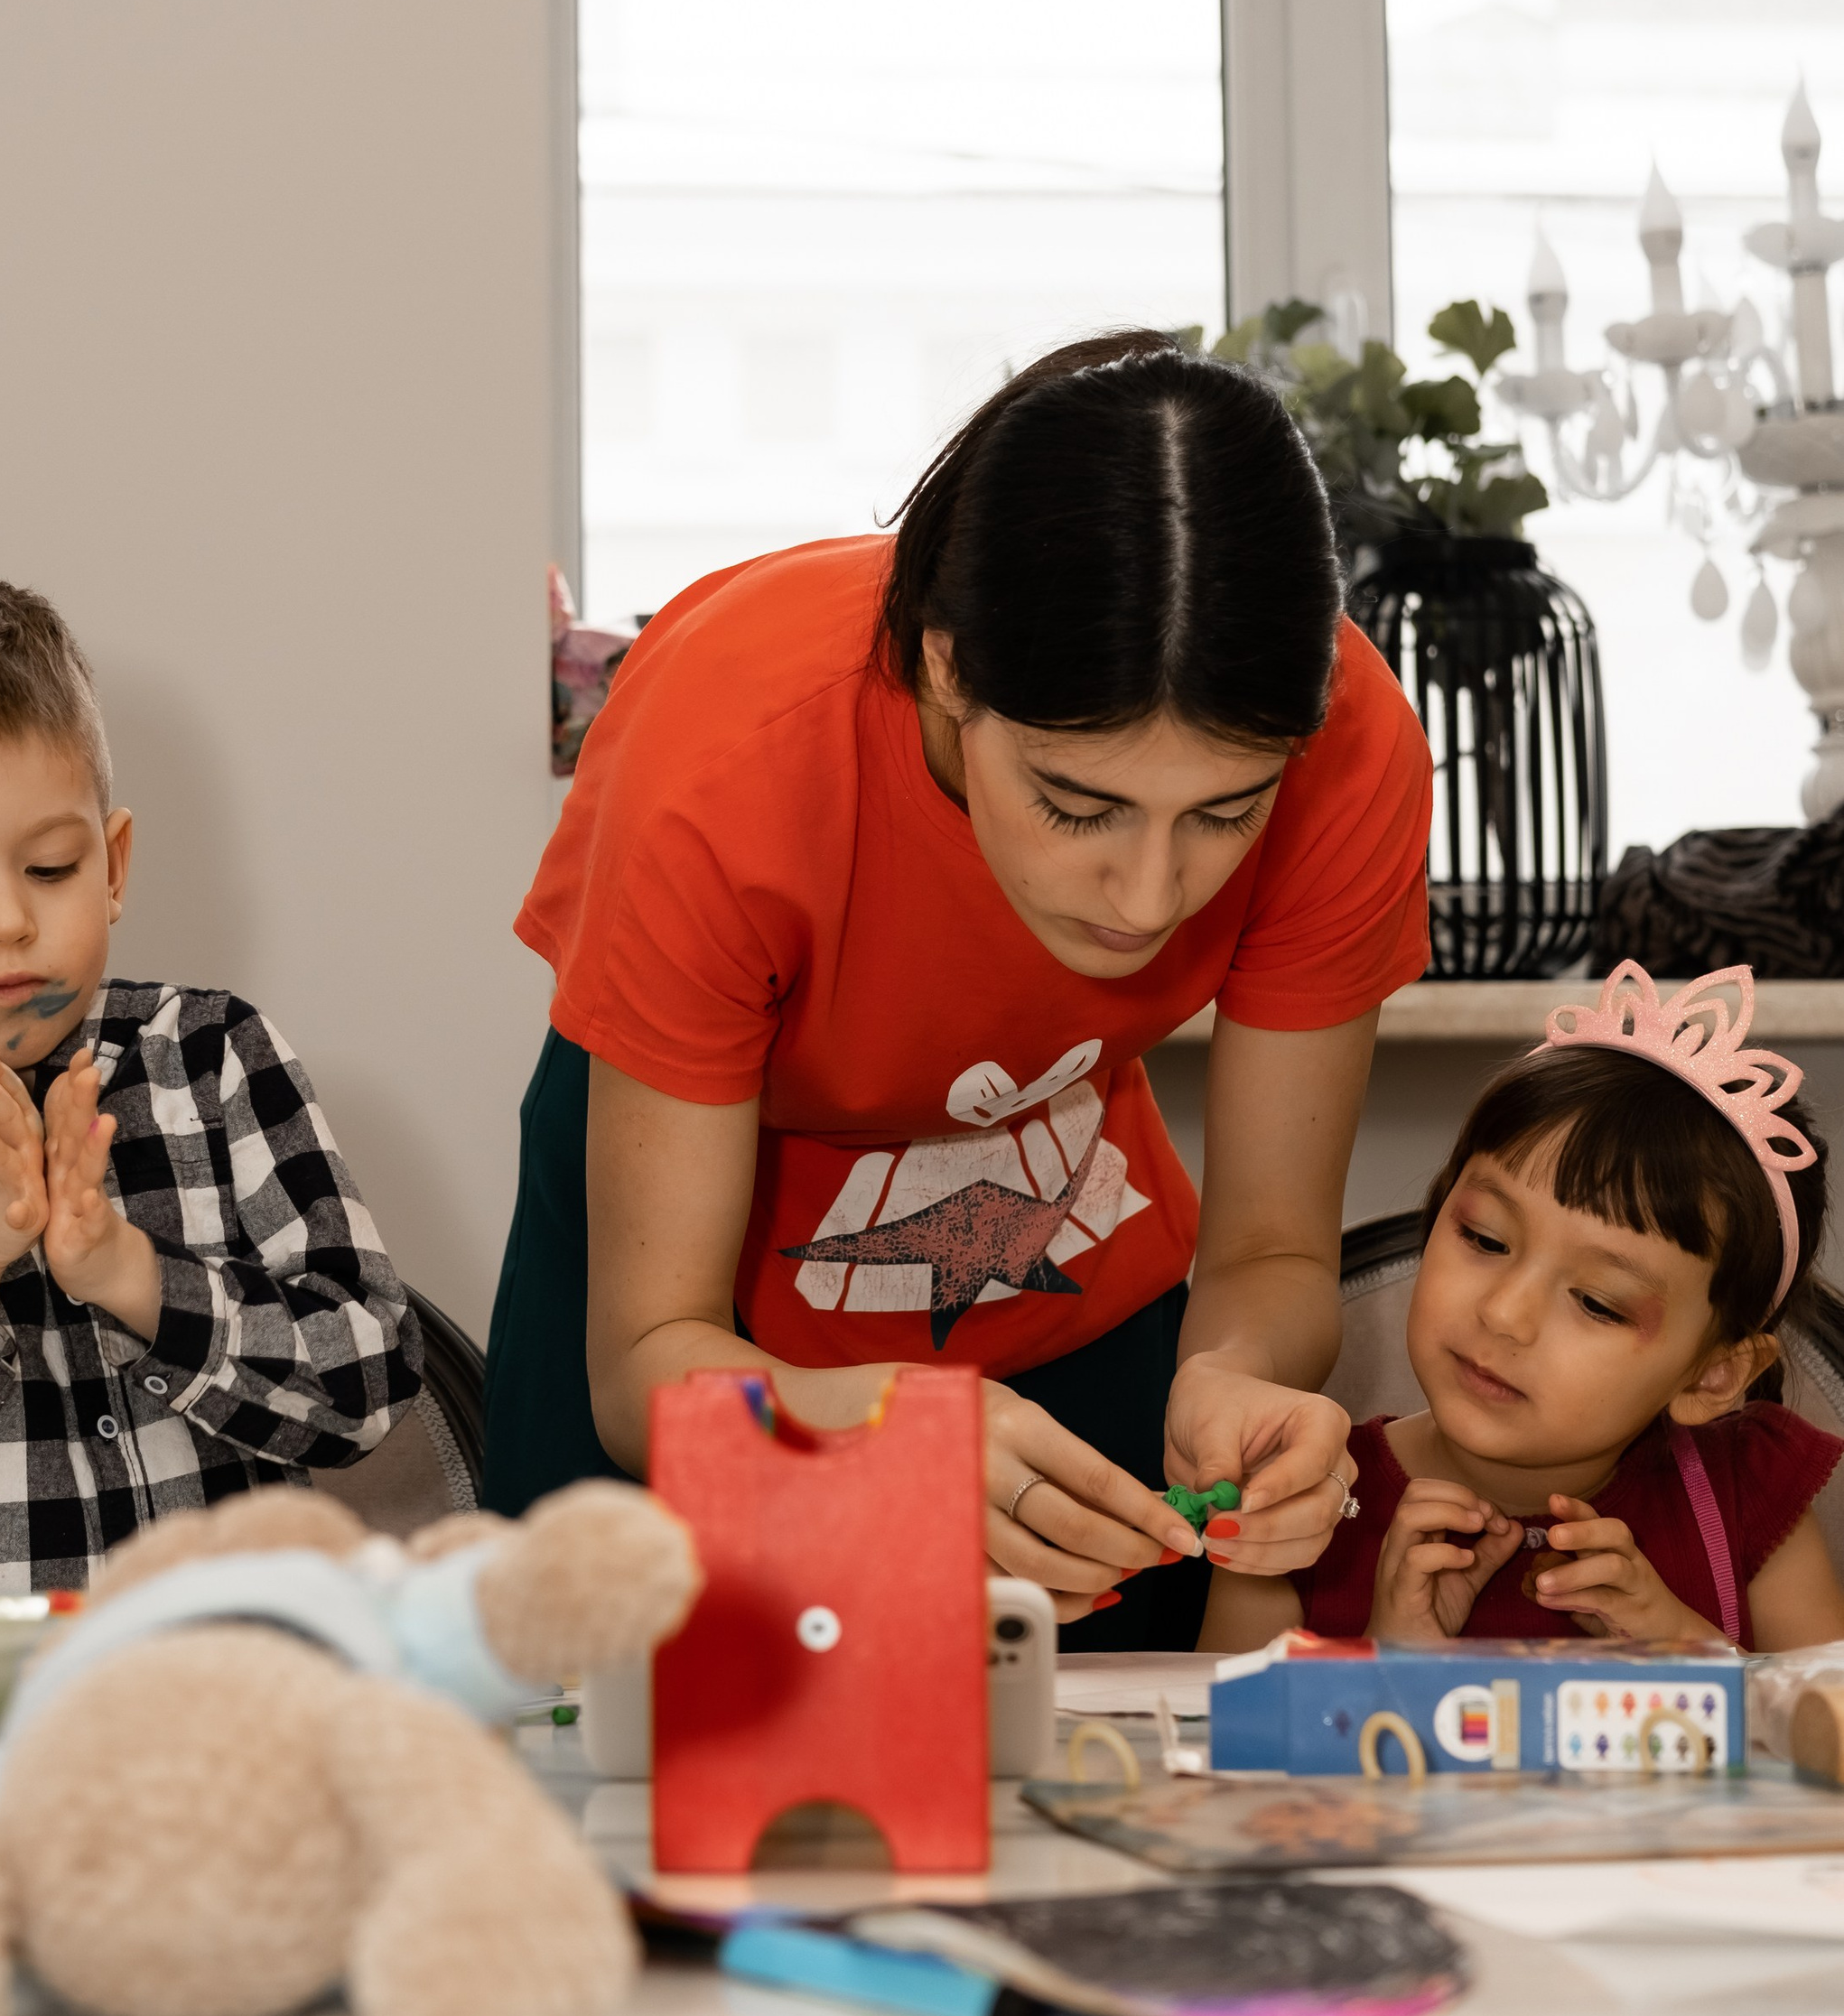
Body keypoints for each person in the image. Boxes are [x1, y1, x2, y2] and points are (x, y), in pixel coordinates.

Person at [486, 332, 1436, 1647]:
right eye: (1076, 803)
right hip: (690, 1304)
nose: (1148, 899)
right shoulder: (723, 758)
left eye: (1224, 815)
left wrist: (1235, 1382)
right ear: (945, 666)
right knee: (644, 1761)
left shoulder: (1354, 742)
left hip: (1056, 1249)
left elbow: (1271, 1251)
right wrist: (885, 1436)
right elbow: (653, 1353)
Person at [0, 559, 419, 1632]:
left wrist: (129, 1274)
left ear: (113, 864)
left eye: (51, 866)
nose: (5, 920)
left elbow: (366, 1388)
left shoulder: (215, 1058)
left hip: (227, 1703)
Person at [1201, 964, 1844, 1655]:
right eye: (1485, 1239)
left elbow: (1827, 1733)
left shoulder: (1744, 1495)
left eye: (1597, 1303)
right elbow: (1217, 1751)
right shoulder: (1301, 1501)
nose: (1506, 1314)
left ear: (1712, 1376)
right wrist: (1383, 1662)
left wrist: (1688, 1650)